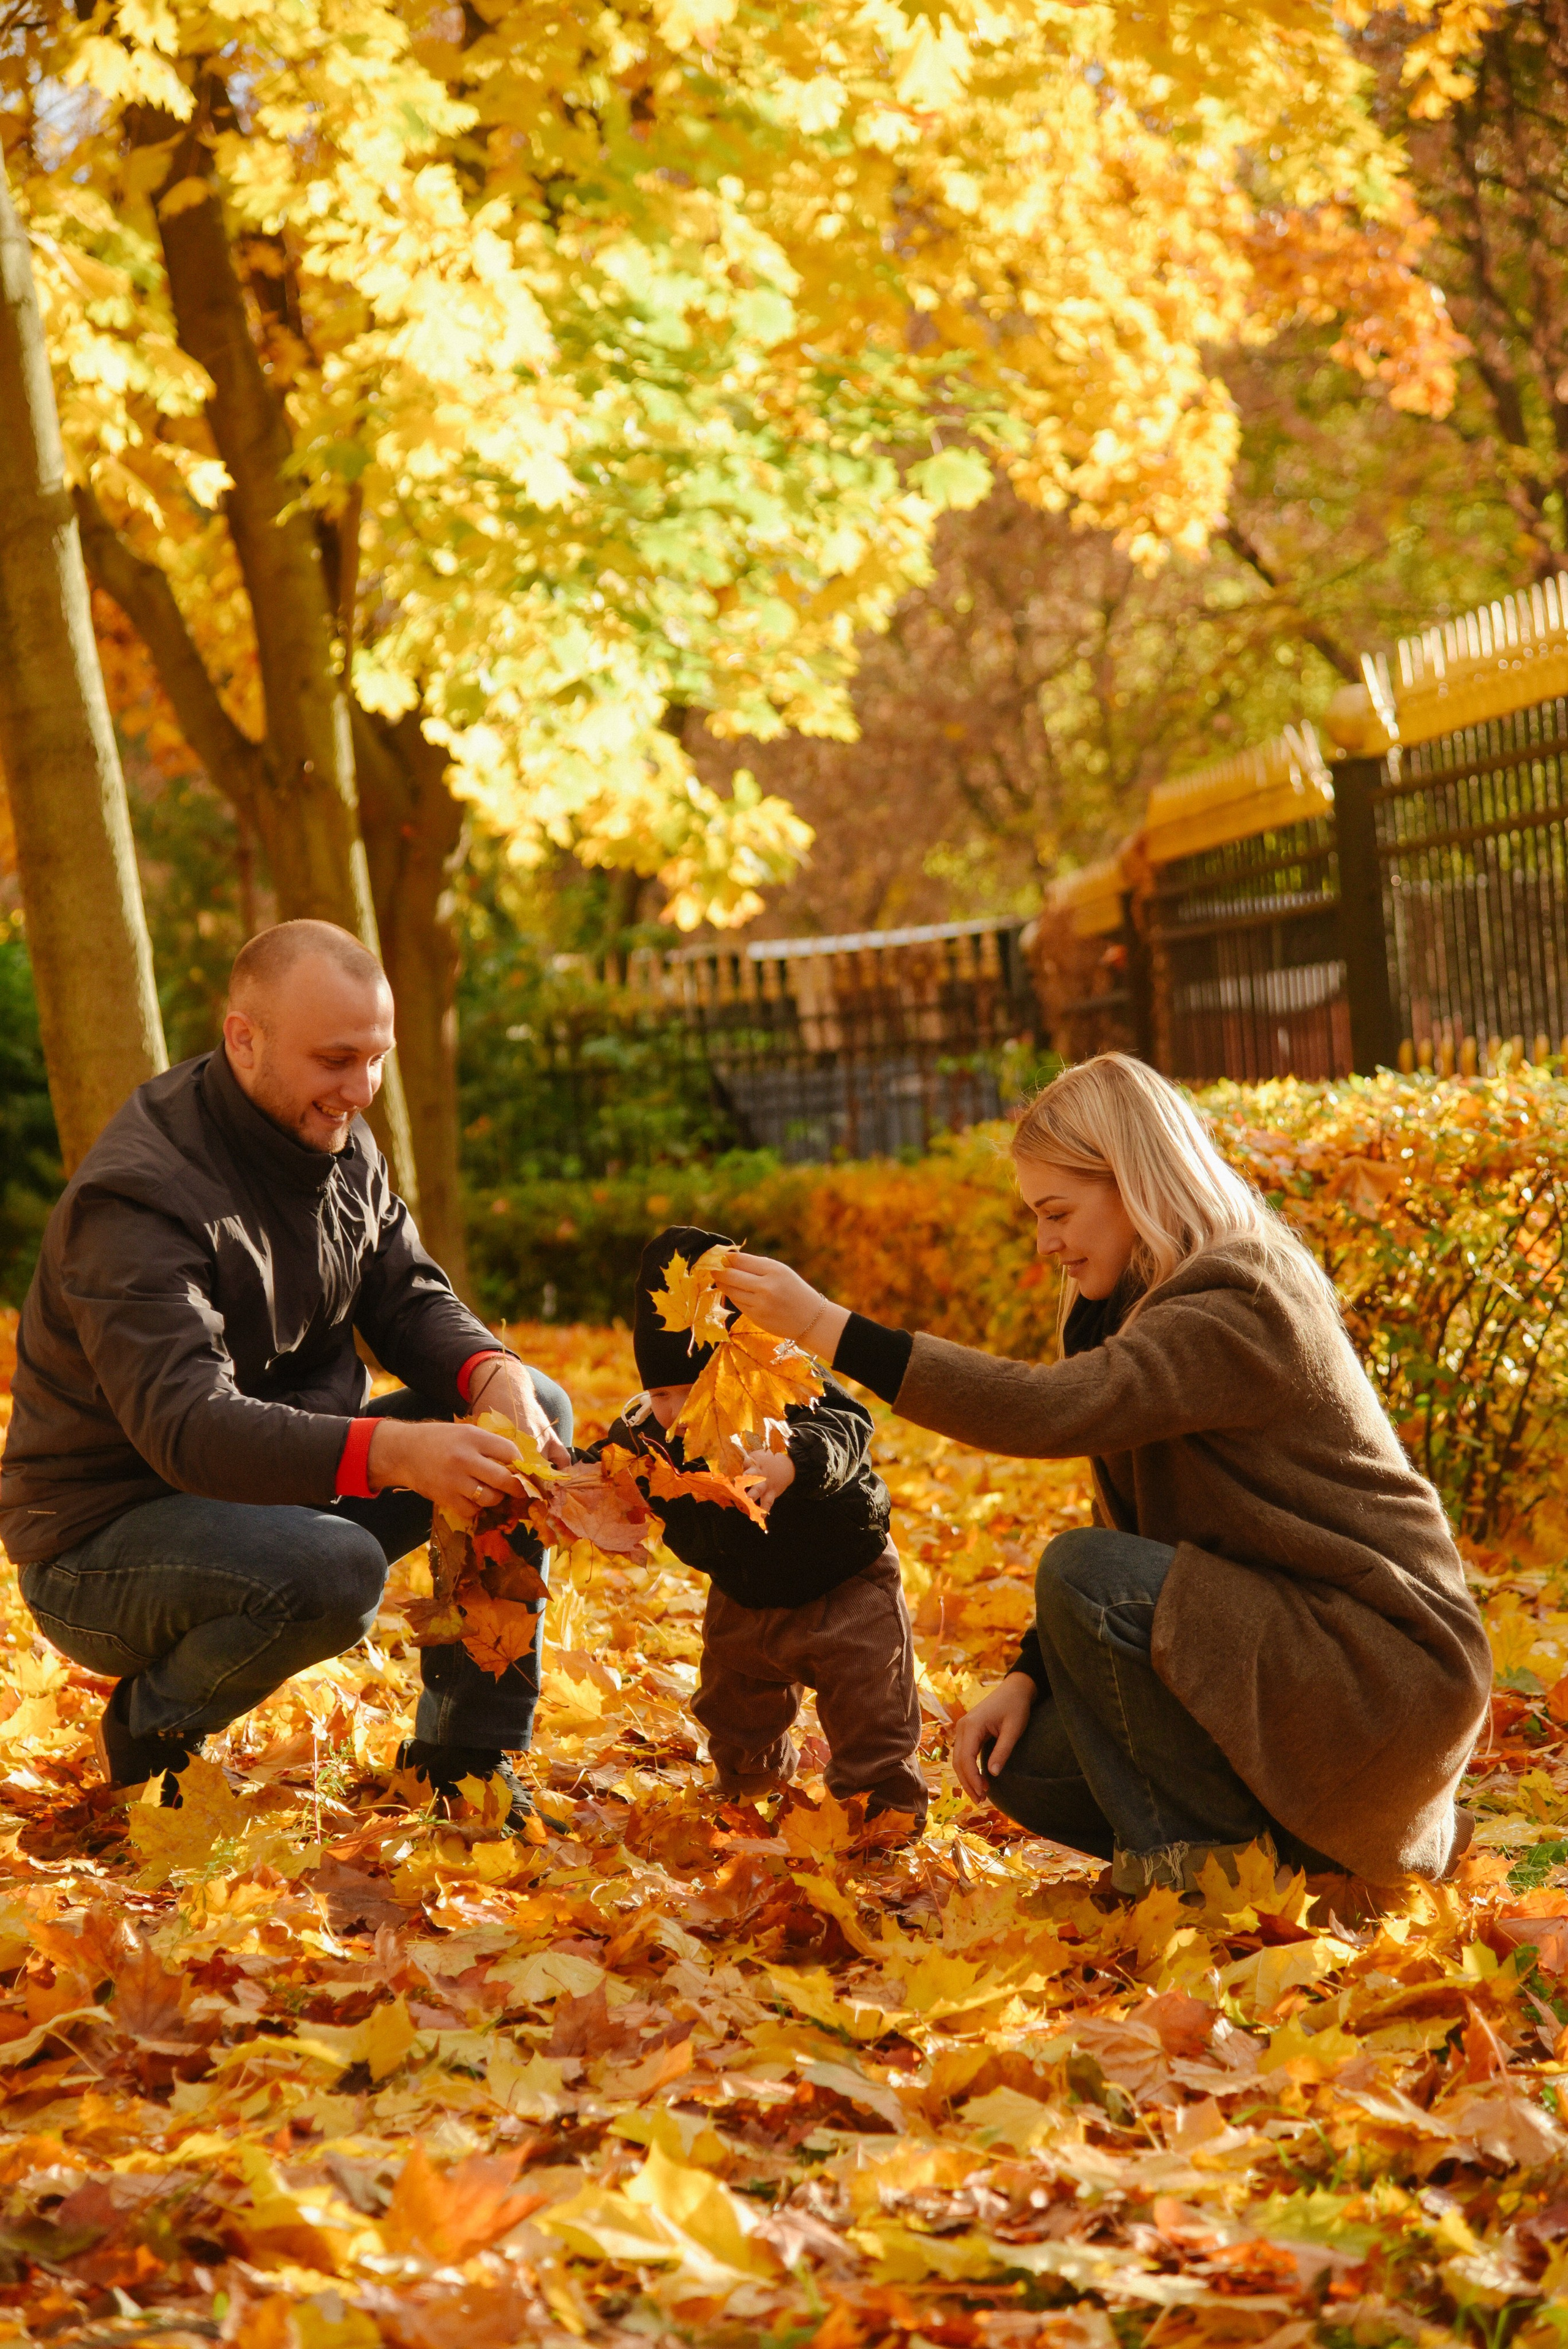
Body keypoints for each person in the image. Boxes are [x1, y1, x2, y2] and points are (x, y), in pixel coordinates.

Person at [717, 1054, 1492, 1893]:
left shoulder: (1240, 1300)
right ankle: (1282, 1865)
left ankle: (1195, 1879)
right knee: (1023, 1762)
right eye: (1036, 1216)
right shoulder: (1135, 1310)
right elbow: (1140, 1535)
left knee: (1080, 1569)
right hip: (1289, 1644)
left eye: (1058, 1212)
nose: (1046, 1242)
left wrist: (827, 1326)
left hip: (1383, 1666)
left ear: (1136, 1183)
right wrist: (1030, 1674)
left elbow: (1047, 1413)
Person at [0, 920, 572, 1821]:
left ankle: (464, 1757)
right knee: (334, 1567)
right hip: (105, 1537)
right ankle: (151, 1731)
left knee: (528, 1405)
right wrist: (397, 1452)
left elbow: (406, 1295)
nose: (360, 1090)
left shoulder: (337, 1138)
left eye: (375, 1060)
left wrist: (488, 1371)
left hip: (279, 1483)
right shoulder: (139, 1195)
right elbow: (190, 1427)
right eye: (335, 1060)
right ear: (244, 1038)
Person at [583, 1226, 927, 1828]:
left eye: (691, 1389)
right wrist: (572, 1479)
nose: (675, 1410)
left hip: (844, 1583)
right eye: (660, 1392)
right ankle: (747, 1790)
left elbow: (848, 1428)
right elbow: (611, 1464)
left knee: (871, 1709)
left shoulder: (786, 1385)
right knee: (732, 1710)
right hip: (741, 1591)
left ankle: (882, 1817)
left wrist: (793, 1461)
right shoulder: (651, 1431)